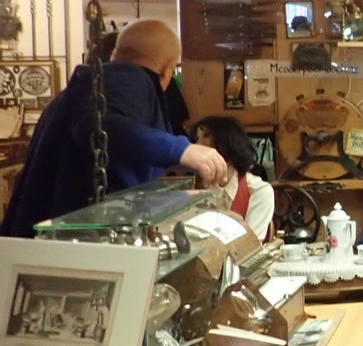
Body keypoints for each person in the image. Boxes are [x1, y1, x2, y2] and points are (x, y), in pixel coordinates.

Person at [0, 19, 226, 237]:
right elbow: (97, 124)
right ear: (167, 70)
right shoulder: (129, 77)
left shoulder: (77, 91)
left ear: (114, 54)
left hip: (36, 240)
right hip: (66, 243)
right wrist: (182, 149)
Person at [192, 115, 275, 241]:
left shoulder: (258, 191)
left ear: (229, 147)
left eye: (206, 137)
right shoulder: (189, 188)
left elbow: (250, 244)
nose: (196, 146)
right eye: (197, 139)